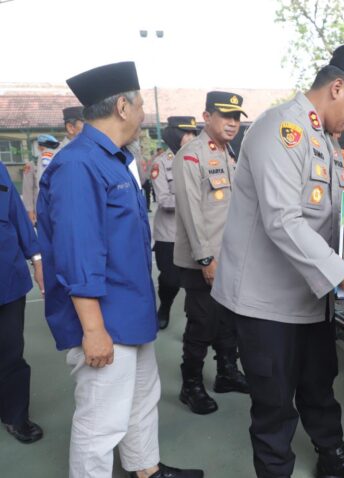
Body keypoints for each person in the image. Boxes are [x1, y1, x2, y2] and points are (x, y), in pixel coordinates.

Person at [212, 45, 344, 478]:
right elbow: (283, 221)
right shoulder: (283, 130)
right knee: (274, 405)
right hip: (266, 302)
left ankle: (333, 458)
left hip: (311, 297)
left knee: (319, 386)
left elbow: (330, 218)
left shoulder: (326, 142)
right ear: (336, 88)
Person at [35, 61, 203, 478]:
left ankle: (146, 470)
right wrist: (93, 330)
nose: (145, 113)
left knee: (142, 398)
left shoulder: (112, 159)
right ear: (123, 107)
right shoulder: (78, 164)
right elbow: (77, 253)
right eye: (142, 104)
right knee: (101, 421)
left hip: (128, 310)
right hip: (103, 318)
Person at [173, 91, 249, 415]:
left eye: (236, 117)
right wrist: (206, 259)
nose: (232, 123)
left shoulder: (230, 155)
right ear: (207, 117)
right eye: (225, 116)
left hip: (229, 256)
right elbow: (191, 212)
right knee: (202, 324)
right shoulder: (192, 155)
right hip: (203, 260)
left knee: (229, 321)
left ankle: (227, 373)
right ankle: (190, 386)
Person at [0, 161, 44, 445]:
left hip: (7, 278)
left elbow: (15, 212)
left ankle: (15, 416)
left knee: (11, 352)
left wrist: (37, 258)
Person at [151, 116, 199, 330]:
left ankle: (194, 322)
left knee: (195, 282)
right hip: (169, 234)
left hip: (196, 232)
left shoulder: (201, 160)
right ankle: (165, 306)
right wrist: (193, 198)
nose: (191, 138)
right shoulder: (161, 163)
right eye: (186, 134)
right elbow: (163, 201)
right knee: (170, 280)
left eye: (193, 133)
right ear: (175, 135)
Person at [21, 134, 60, 225]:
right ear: (39, 148)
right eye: (43, 149)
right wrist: (30, 211)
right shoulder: (30, 165)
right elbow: (27, 190)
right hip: (40, 208)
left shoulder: (59, 163)